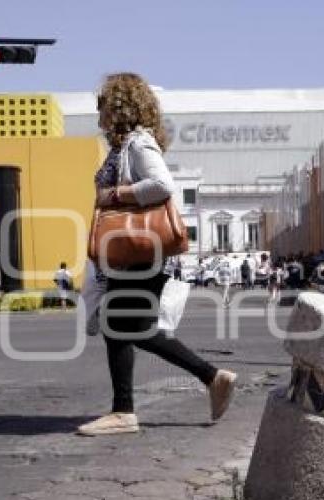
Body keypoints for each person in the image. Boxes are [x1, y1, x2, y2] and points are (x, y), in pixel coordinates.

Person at [78, 72, 237, 436]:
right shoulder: (125, 147)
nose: (98, 115)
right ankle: (201, 382)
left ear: (118, 107)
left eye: (102, 106)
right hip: (131, 252)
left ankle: (200, 380)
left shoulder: (137, 144)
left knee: (123, 326)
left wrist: (115, 195)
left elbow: (162, 185)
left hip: (139, 252)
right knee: (124, 327)